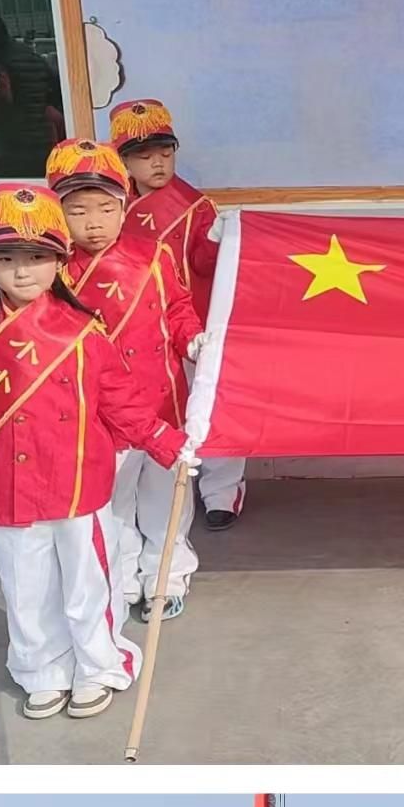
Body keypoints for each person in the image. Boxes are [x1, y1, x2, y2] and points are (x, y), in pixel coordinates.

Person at [0, 183, 191, 719]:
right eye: (6, 259)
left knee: (88, 584)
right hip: (7, 483)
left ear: (59, 261)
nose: (22, 272)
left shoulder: (84, 329)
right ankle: (41, 670)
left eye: (35, 258)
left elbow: (120, 401)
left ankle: (99, 664)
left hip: (77, 481)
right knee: (26, 587)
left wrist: (170, 442)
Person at [47, 137, 204, 620]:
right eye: (78, 211)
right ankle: (119, 577)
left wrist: (194, 340)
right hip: (98, 411)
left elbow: (178, 308)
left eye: (105, 208)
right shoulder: (53, 270)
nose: (93, 223)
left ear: (124, 206)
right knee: (111, 502)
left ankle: (166, 576)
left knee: (165, 498)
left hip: (161, 399)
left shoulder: (154, 255)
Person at [110, 98, 247, 530]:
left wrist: (221, 239)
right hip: (131, 329)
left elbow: (206, 265)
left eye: (165, 152)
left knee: (210, 404)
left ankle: (221, 490)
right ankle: (145, 497)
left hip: (187, 322)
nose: (157, 163)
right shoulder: (108, 203)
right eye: (144, 155)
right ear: (123, 159)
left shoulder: (193, 205)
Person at [0, 7, 64, 172]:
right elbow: (54, 97)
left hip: (14, 145)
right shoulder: (34, 58)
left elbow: (0, 102)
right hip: (42, 140)